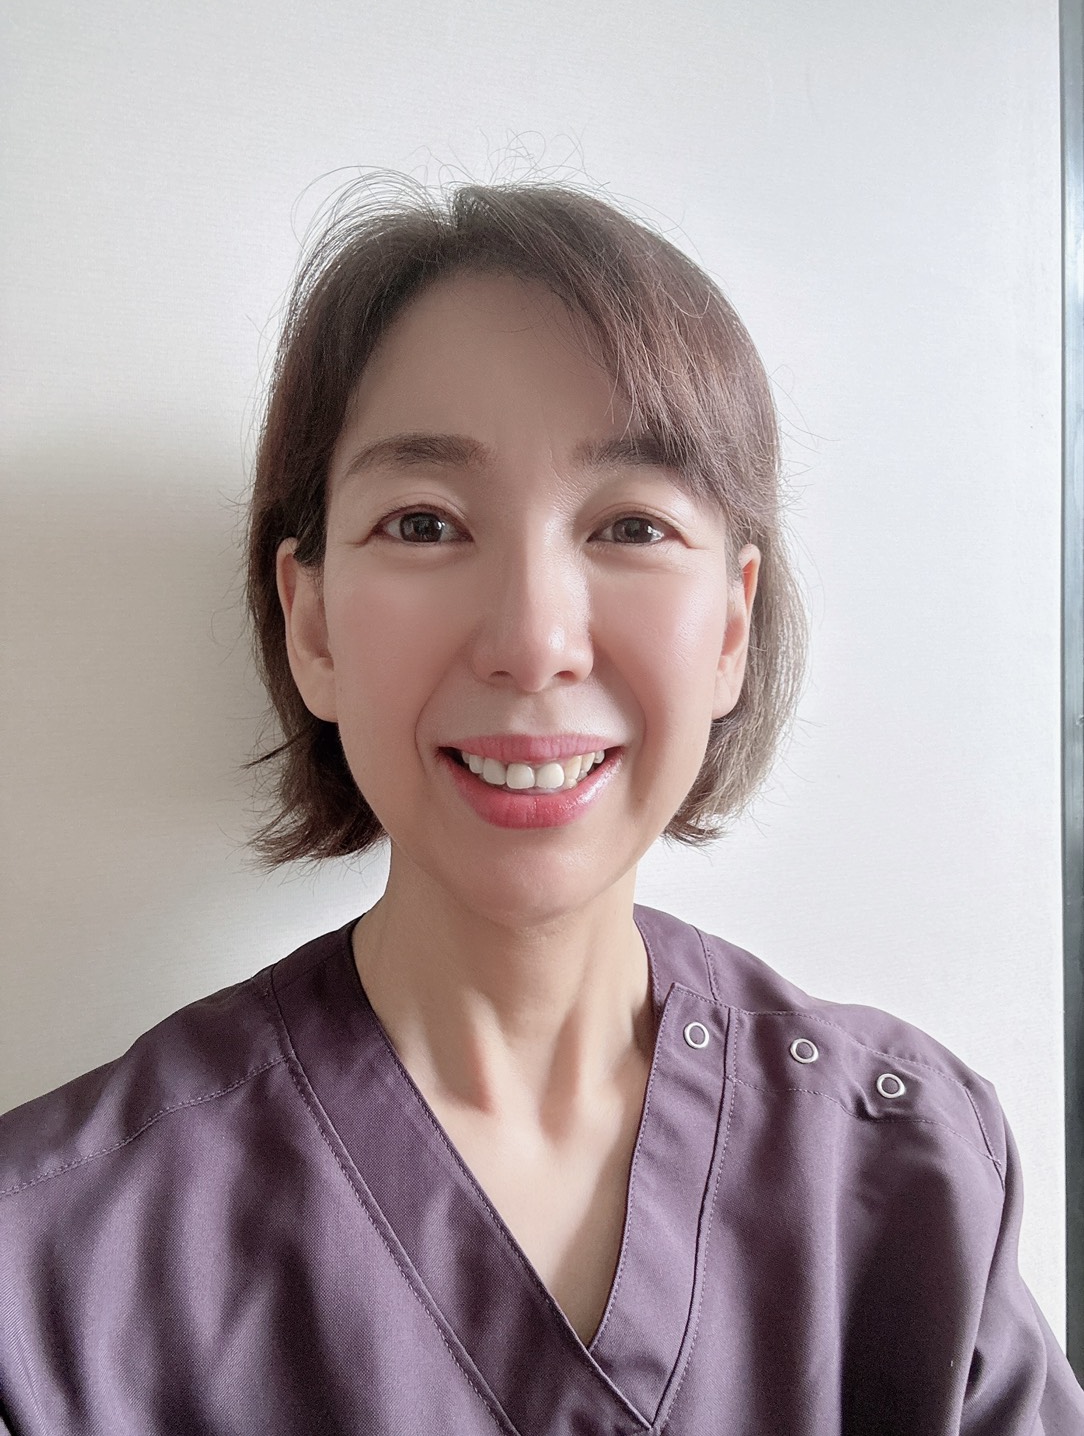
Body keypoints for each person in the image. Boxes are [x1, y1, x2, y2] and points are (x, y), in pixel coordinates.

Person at [1, 179, 1081, 1435]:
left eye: (630, 524)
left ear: (729, 629)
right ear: (312, 625)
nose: (532, 639)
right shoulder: (52, 1268)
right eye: (424, 523)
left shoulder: (909, 1170)